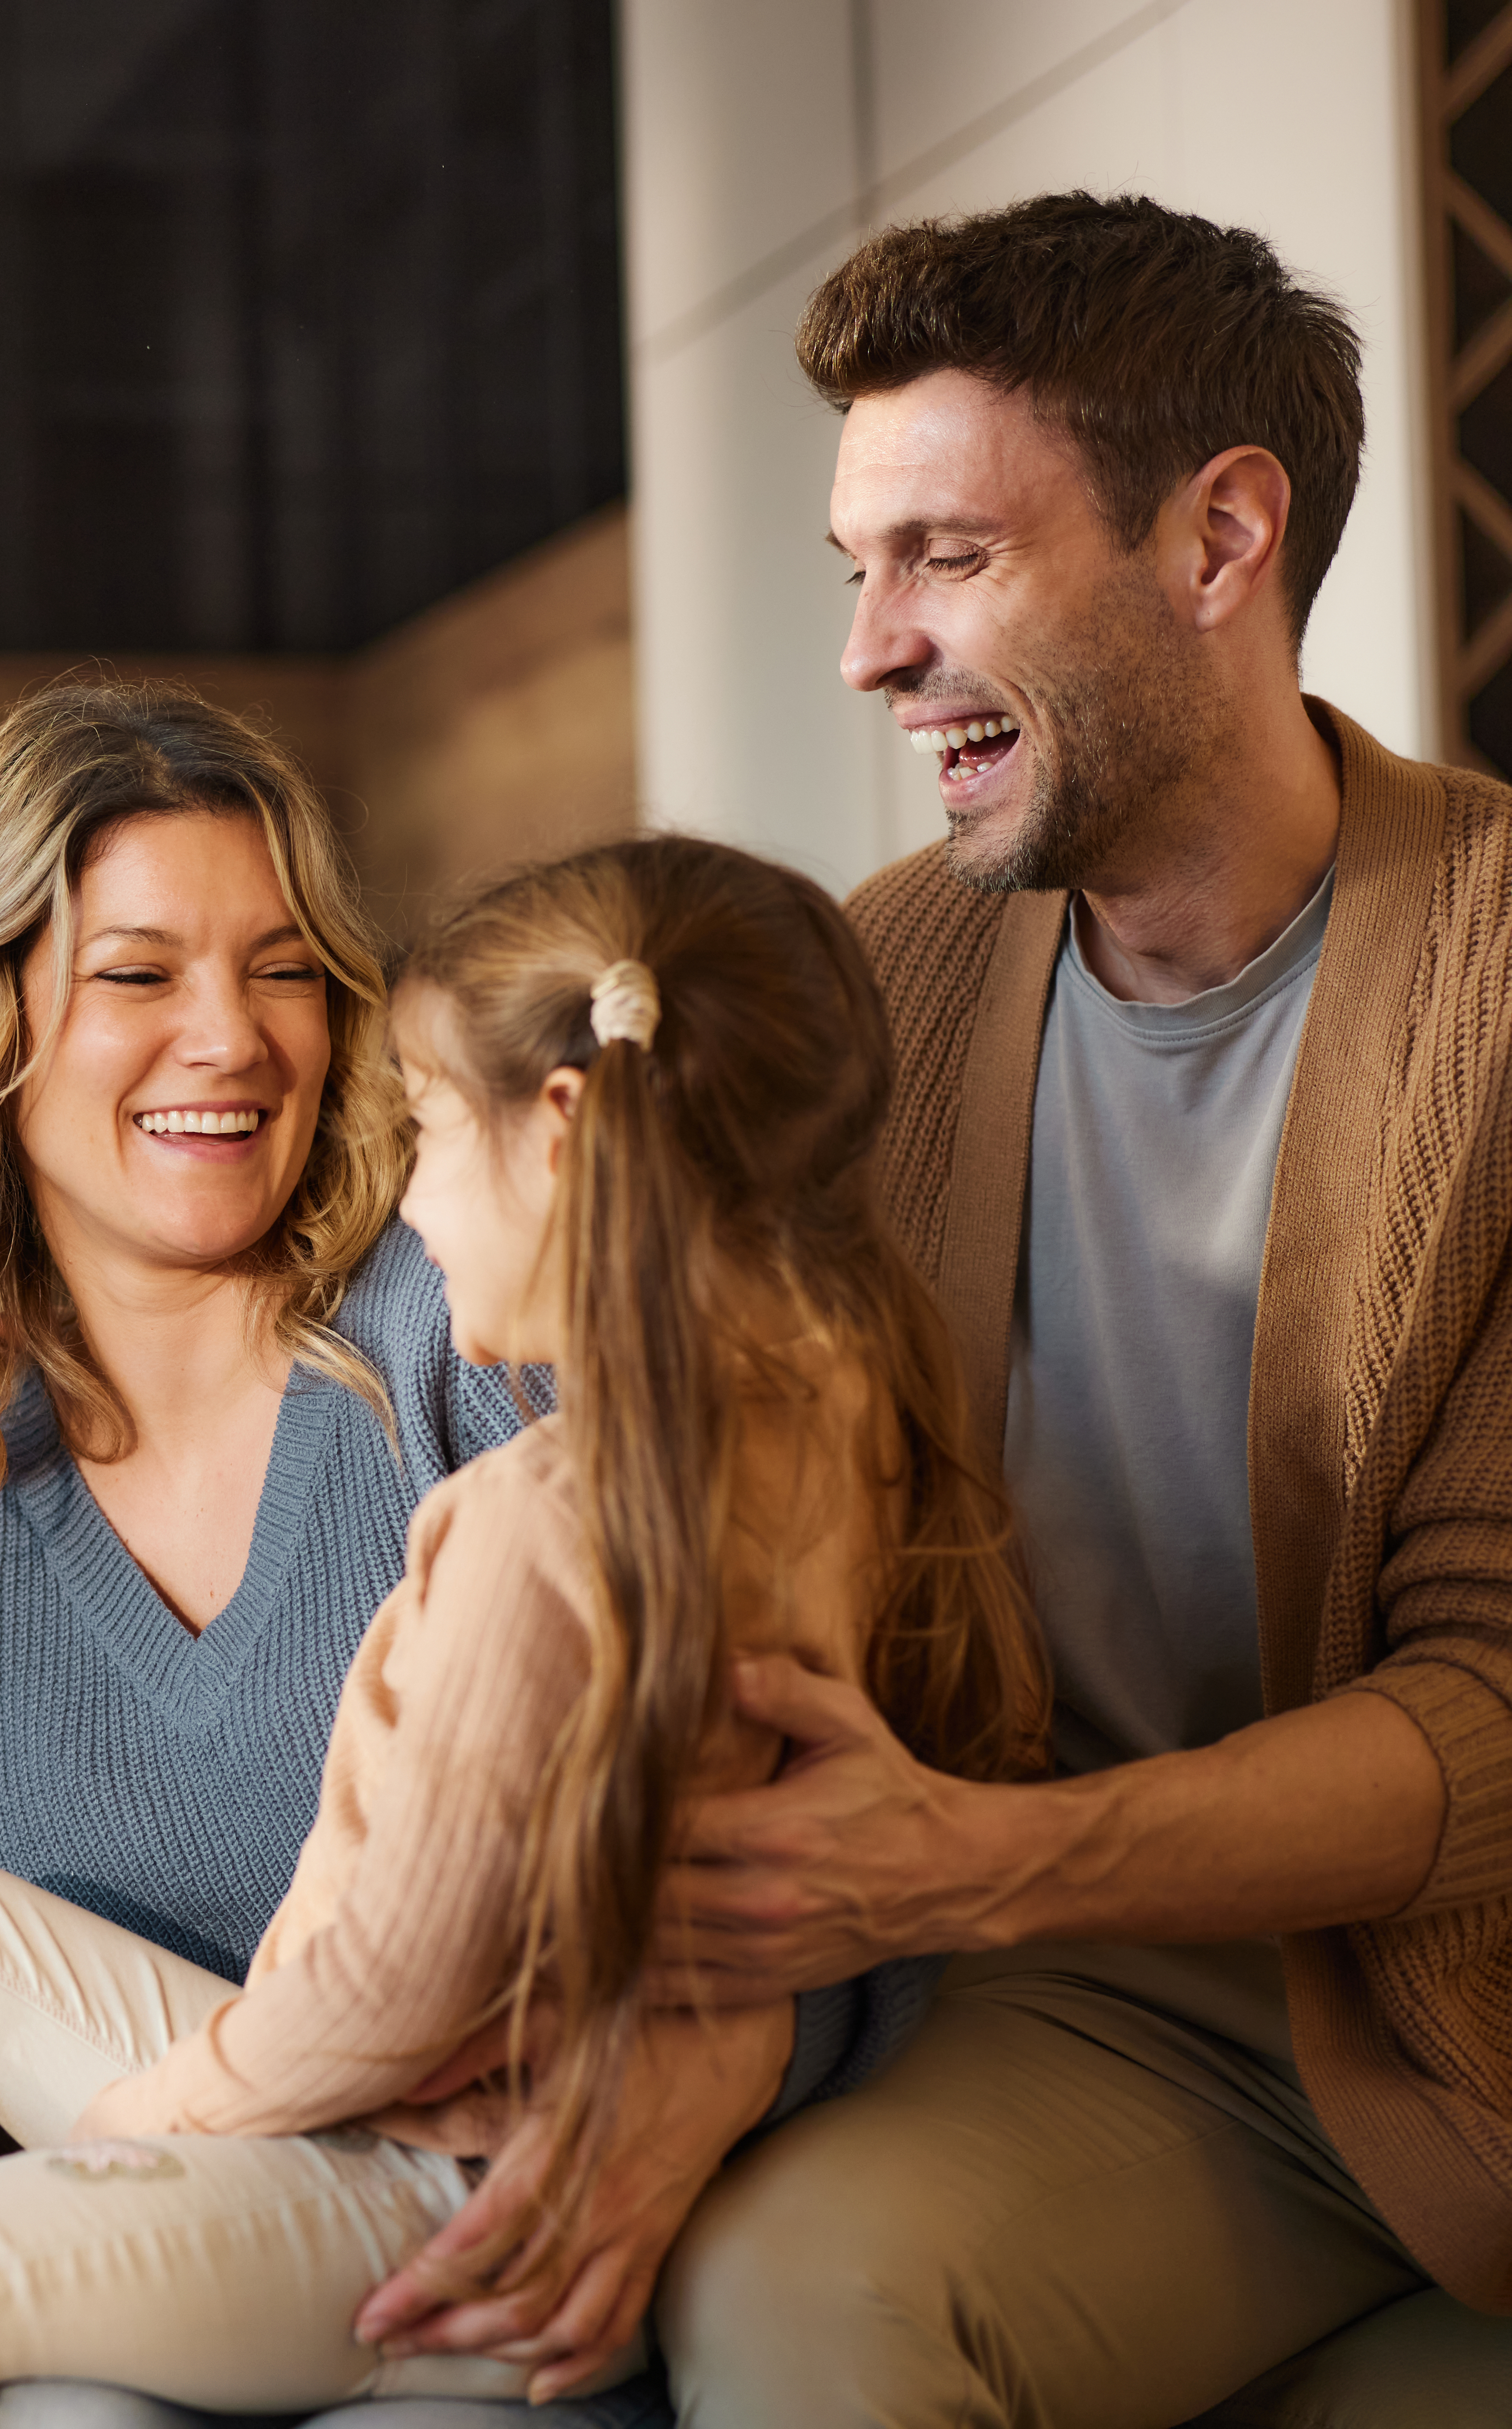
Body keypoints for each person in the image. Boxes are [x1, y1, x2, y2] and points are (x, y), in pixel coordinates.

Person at [0, 686, 935, 2427]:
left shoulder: (482, 1325)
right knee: (20, 2307)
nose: (229, 1037)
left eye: (280, 967)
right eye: (137, 974)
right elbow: (11, 2060)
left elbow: (795, 1860)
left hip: (519, 2209)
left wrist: (685, 2096)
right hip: (229, 2185)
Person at [636, 194, 1512, 2419]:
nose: (867, 648)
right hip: (1081, 2003)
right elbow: (550, 1316)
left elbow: (1494, 1709)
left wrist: (979, 1861)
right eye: (857, 566)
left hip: (1455, 1984)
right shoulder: (868, 989)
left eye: (942, 556)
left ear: (1218, 537)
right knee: (776, 2302)